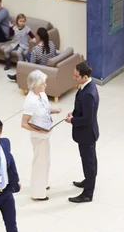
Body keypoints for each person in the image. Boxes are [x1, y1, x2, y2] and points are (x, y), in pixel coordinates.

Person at [21, 70, 61, 200]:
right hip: (39, 137)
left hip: (46, 135)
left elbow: (44, 109)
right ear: (35, 85)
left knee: (46, 162)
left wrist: (53, 111)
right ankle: (38, 194)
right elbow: (24, 123)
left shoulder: (42, 94)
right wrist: (40, 131)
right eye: (43, 83)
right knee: (39, 163)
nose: (46, 86)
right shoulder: (30, 101)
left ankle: (43, 184)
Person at [65, 61, 99, 204]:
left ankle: (88, 193)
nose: (74, 78)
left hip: (87, 133)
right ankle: (88, 180)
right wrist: (73, 114)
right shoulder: (86, 87)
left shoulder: (88, 94)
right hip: (85, 133)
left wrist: (72, 121)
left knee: (89, 162)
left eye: (77, 76)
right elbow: (81, 110)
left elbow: (87, 119)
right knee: (88, 160)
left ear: (85, 77)